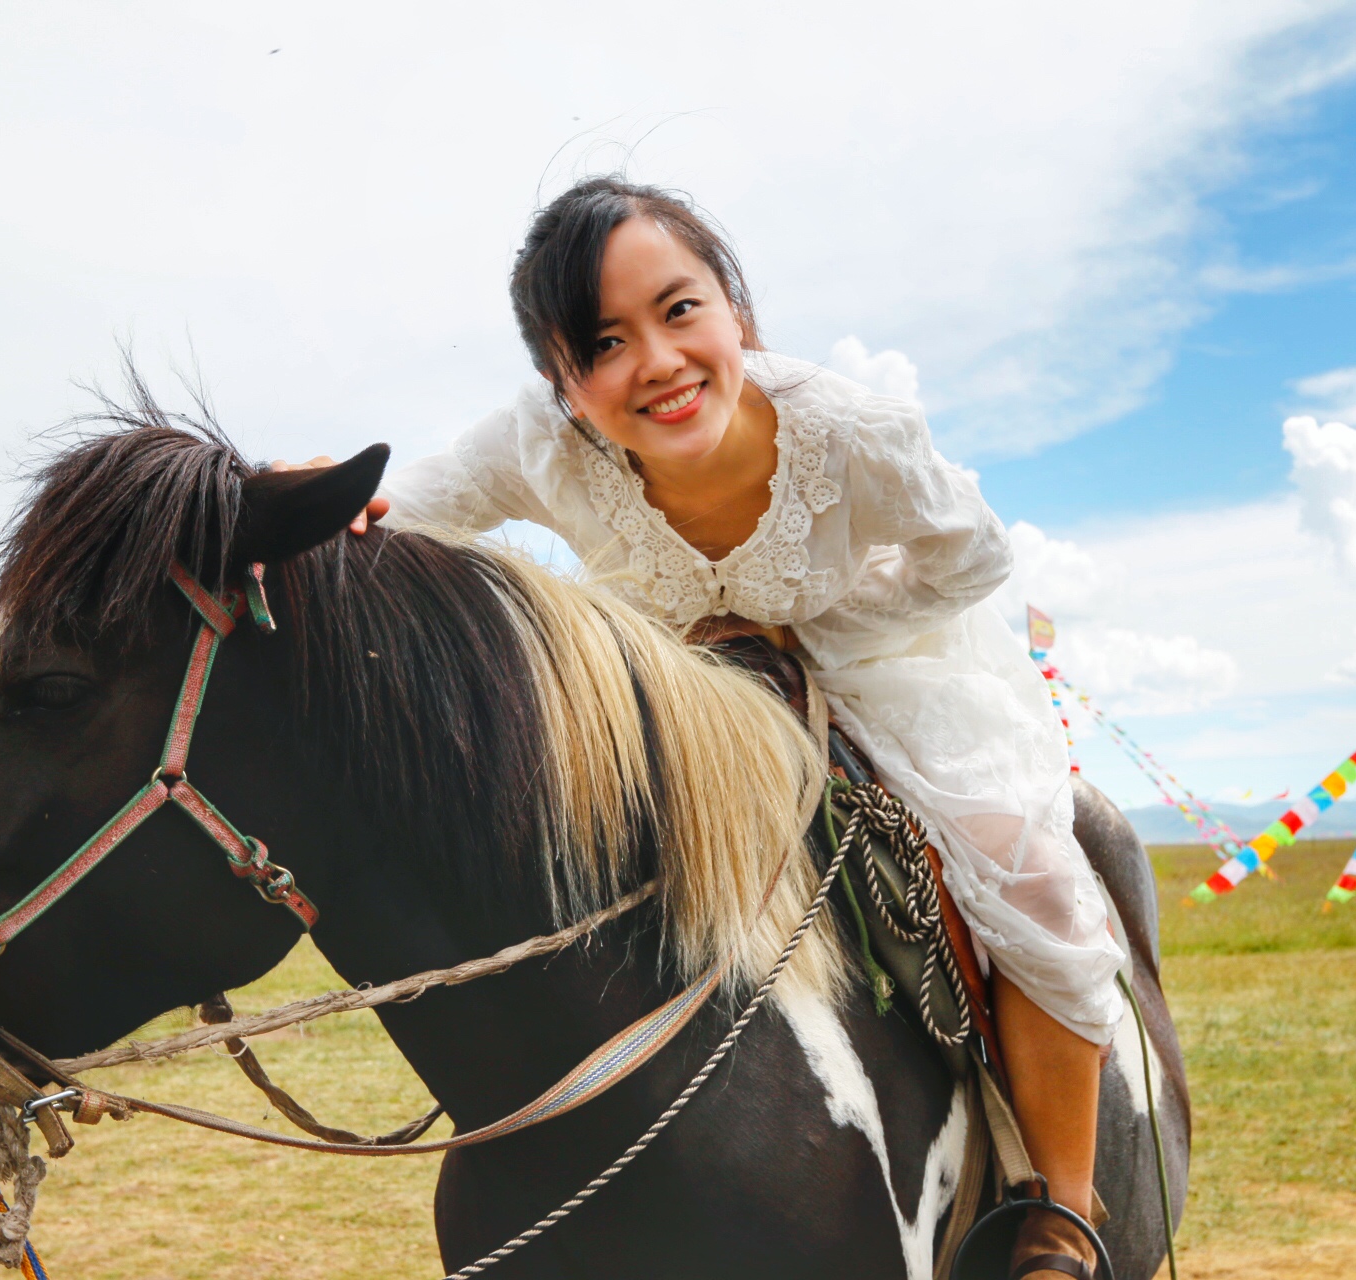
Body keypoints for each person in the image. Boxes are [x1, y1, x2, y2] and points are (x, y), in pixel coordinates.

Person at [289, 177, 1123, 1279]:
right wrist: (322, 504)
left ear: (734, 310)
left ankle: (1064, 1198)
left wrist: (809, 623)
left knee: (1028, 875)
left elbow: (970, 559)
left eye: (680, 310)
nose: (659, 361)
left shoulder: (851, 431)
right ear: (563, 380)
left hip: (885, 662)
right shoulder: (537, 447)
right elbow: (416, 517)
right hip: (693, 691)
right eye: (604, 343)